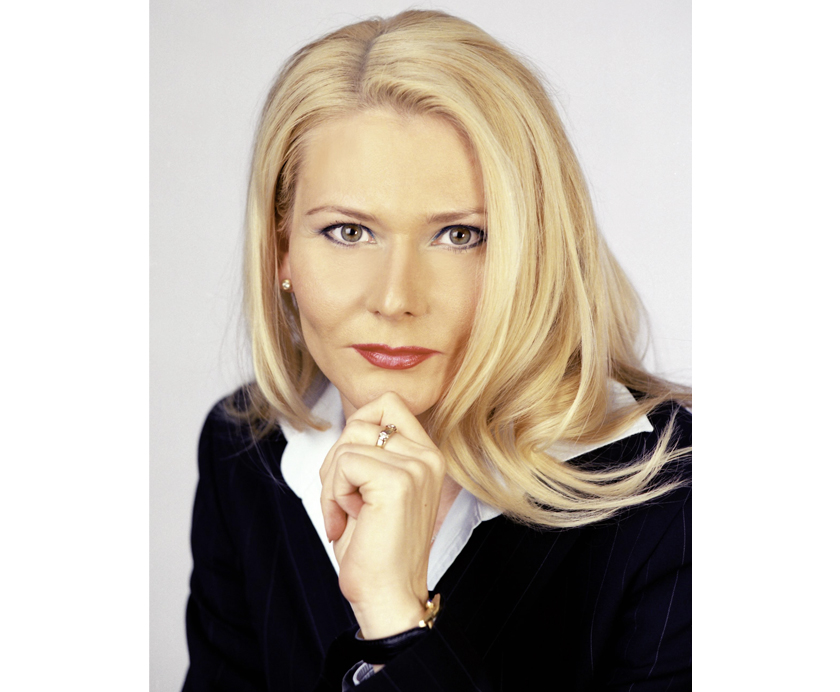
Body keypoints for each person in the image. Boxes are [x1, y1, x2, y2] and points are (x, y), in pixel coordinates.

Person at [182, 10, 691, 691]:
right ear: (281, 251)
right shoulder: (243, 452)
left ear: (533, 254)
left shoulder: (676, 496)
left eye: (460, 236)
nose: (395, 298)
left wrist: (395, 622)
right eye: (348, 232)